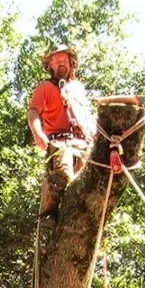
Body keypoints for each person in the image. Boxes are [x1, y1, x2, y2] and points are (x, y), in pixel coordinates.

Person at [28, 45, 96, 216]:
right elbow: (33, 112)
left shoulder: (77, 90)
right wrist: (38, 133)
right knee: (63, 176)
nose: (61, 63)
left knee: (92, 184)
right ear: (50, 65)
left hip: (84, 143)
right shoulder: (46, 88)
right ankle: (48, 217)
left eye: (64, 59)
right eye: (56, 60)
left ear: (70, 63)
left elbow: (87, 118)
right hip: (60, 142)